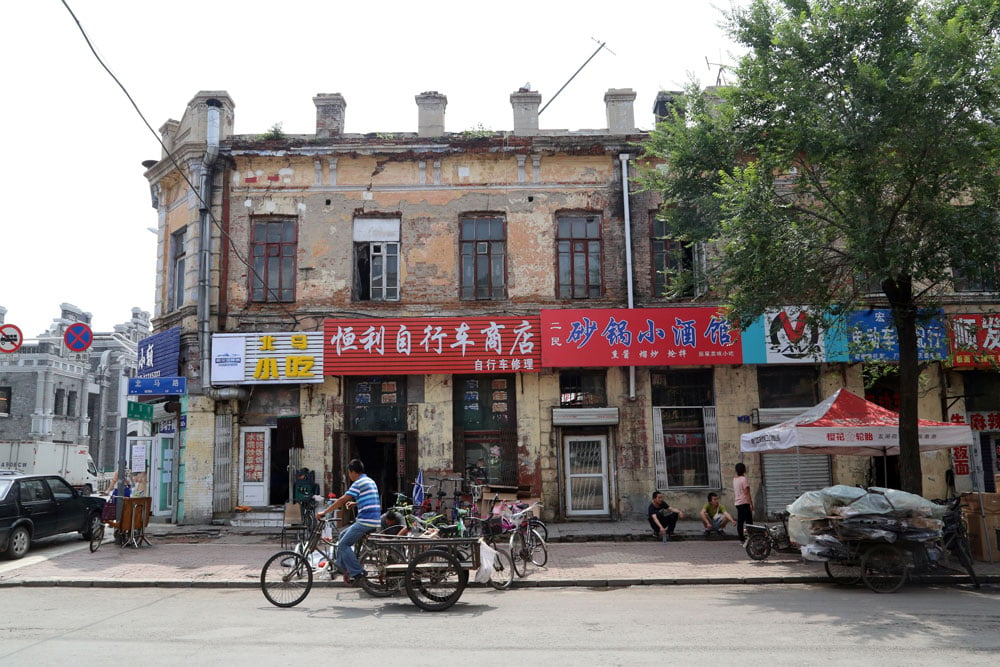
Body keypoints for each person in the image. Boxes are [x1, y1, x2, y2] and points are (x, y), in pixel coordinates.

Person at [317, 459, 381, 585]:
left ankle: (357, 572)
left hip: (365, 521)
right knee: (341, 536)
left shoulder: (358, 483)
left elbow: (342, 500)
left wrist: (325, 512)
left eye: (349, 473)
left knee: (343, 545)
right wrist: (356, 503)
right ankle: (341, 568)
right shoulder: (369, 480)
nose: (349, 476)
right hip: (373, 519)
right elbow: (370, 499)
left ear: (352, 472)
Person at [733, 462, 754, 545]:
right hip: (744, 502)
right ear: (743, 469)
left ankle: (741, 539)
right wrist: (751, 503)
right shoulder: (743, 479)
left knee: (740, 522)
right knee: (749, 522)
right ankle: (751, 538)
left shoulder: (735, 479)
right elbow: (747, 493)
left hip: (738, 503)